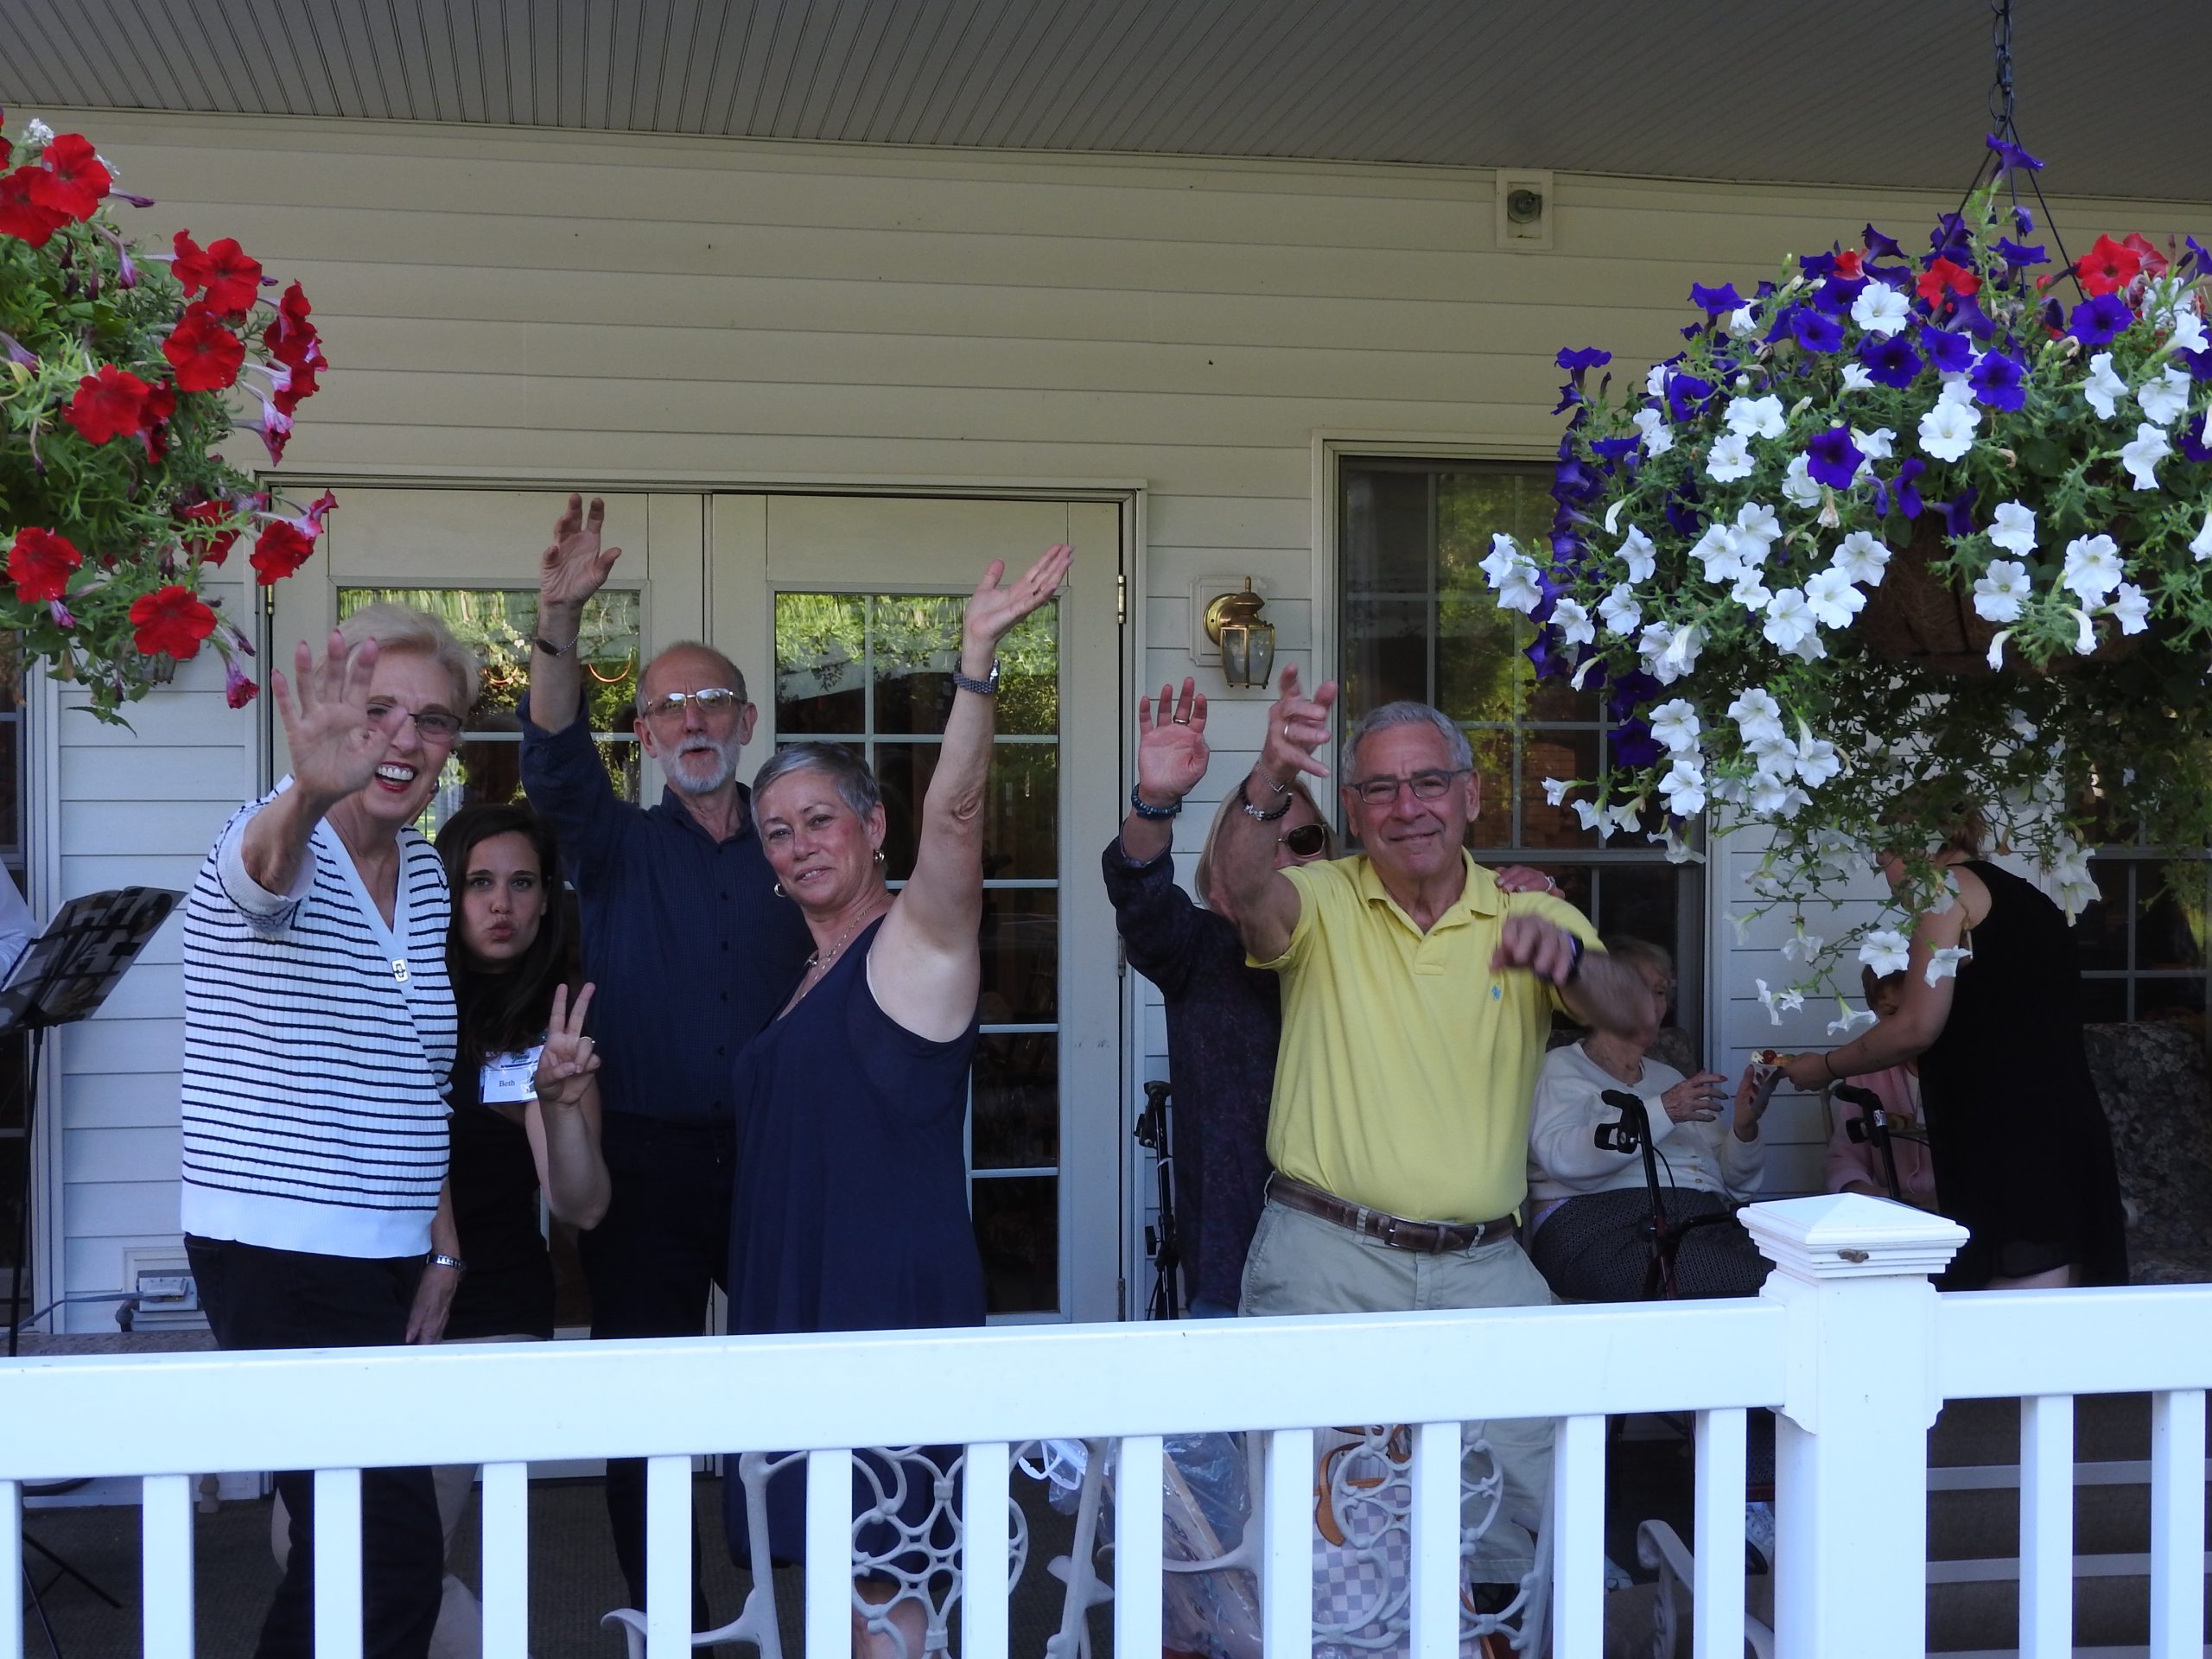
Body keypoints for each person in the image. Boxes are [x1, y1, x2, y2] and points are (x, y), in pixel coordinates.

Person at [1211, 676, 1649, 1582]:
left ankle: (1495, 1637)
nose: (1406, 807)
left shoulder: (1528, 912)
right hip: (1327, 1264)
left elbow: (1630, 1009)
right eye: (1379, 788)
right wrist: (1268, 778)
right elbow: (1241, 888)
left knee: (1521, 1533)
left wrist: (1565, 959)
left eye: (1427, 783)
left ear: (1470, 795)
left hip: (1485, 1268)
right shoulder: (1323, 899)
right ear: (1353, 808)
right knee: (1322, 1544)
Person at [726, 542, 1071, 1656]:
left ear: (875, 828)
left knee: (888, 1596)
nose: (798, 845)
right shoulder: (807, 971)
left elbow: (957, 820)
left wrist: (975, 665)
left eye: (820, 819)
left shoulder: (916, 946)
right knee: (833, 1592)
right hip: (796, 1310)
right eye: (777, 831)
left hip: (885, 1315)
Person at [519, 494, 814, 1617]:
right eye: (668, 708)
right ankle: (670, 1628)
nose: (693, 722)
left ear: (746, 721)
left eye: (712, 702)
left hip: (780, 1159)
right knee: (646, 1407)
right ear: (642, 737)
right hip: (644, 1163)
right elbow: (554, 759)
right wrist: (559, 619)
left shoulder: (799, 845)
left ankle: (805, 1609)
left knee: (799, 1388)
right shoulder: (613, 847)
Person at [180, 604, 480, 1659]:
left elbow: (419, 1078)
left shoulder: (428, 874)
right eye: (378, 710)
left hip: (387, 1254)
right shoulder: (275, 837)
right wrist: (309, 791)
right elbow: (263, 875)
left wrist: (441, 1246)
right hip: (282, 1254)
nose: (403, 739)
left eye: (432, 720)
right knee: (388, 1558)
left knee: (345, 1548)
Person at [1105, 677, 1556, 1319]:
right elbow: (1142, 900)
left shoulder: (1389, 931)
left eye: (1304, 842)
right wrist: (1153, 803)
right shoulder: (1200, 951)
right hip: (1240, 1257)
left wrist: (1536, 896)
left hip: (1404, 1262)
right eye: (1263, 842)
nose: (1284, 860)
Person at [1778, 812, 2128, 1288]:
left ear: (1917, 843)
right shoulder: (2028, 899)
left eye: (1885, 861)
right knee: (2054, 1310)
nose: (1888, 882)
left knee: (2009, 1313)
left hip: (2011, 1140)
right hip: (2063, 1126)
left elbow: (1915, 1027)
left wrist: (1825, 1066)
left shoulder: (1945, 891)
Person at [1525, 938, 1771, 1300]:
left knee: (1794, 1266)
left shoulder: (1668, 1077)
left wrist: (1744, 1127)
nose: (1652, 1005)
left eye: (1659, 992)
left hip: (1699, 1224)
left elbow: (1737, 1185)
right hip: (1597, 1229)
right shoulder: (1562, 1068)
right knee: (1762, 1279)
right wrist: (1665, 1110)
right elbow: (1566, 1161)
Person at [1822, 969, 1937, 1205]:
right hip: (1893, 1211)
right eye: (1892, 1013)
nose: (1906, 1026)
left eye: (1916, 1012)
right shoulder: (1867, 1069)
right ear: (1876, 1012)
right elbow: (1845, 1155)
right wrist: (1865, 1192)